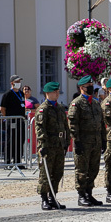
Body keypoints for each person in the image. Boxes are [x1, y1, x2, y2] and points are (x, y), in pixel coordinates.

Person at [68, 75, 106, 207]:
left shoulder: (95, 103)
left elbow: (101, 123)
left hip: (95, 141)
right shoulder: (76, 103)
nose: (90, 88)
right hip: (83, 141)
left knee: (93, 169)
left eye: (91, 86)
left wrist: (103, 139)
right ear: (81, 88)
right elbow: (73, 124)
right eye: (88, 87)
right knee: (82, 170)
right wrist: (76, 141)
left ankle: (89, 193)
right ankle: (81, 195)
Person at [35, 82, 70, 210]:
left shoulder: (60, 108)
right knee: (46, 173)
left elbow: (66, 126)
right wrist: (42, 145)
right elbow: (40, 128)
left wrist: (67, 142)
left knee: (57, 172)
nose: (57, 94)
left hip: (59, 144)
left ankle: (53, 197)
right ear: (47, 93)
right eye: (54, 92)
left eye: (58, 91)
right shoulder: (43, 109)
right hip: (48, 145)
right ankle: (44, 199)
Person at [0, 75, 26, 169]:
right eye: (17, 81)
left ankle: (18, 161)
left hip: (21, 121)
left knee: (20, 141)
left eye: (19, 81)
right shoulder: (7, 94)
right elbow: (2, 108)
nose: (19, 83)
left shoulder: (21, 93)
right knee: (11, 141)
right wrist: (6, 118)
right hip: (12, 121)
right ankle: (7, 162)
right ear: (12, 83)